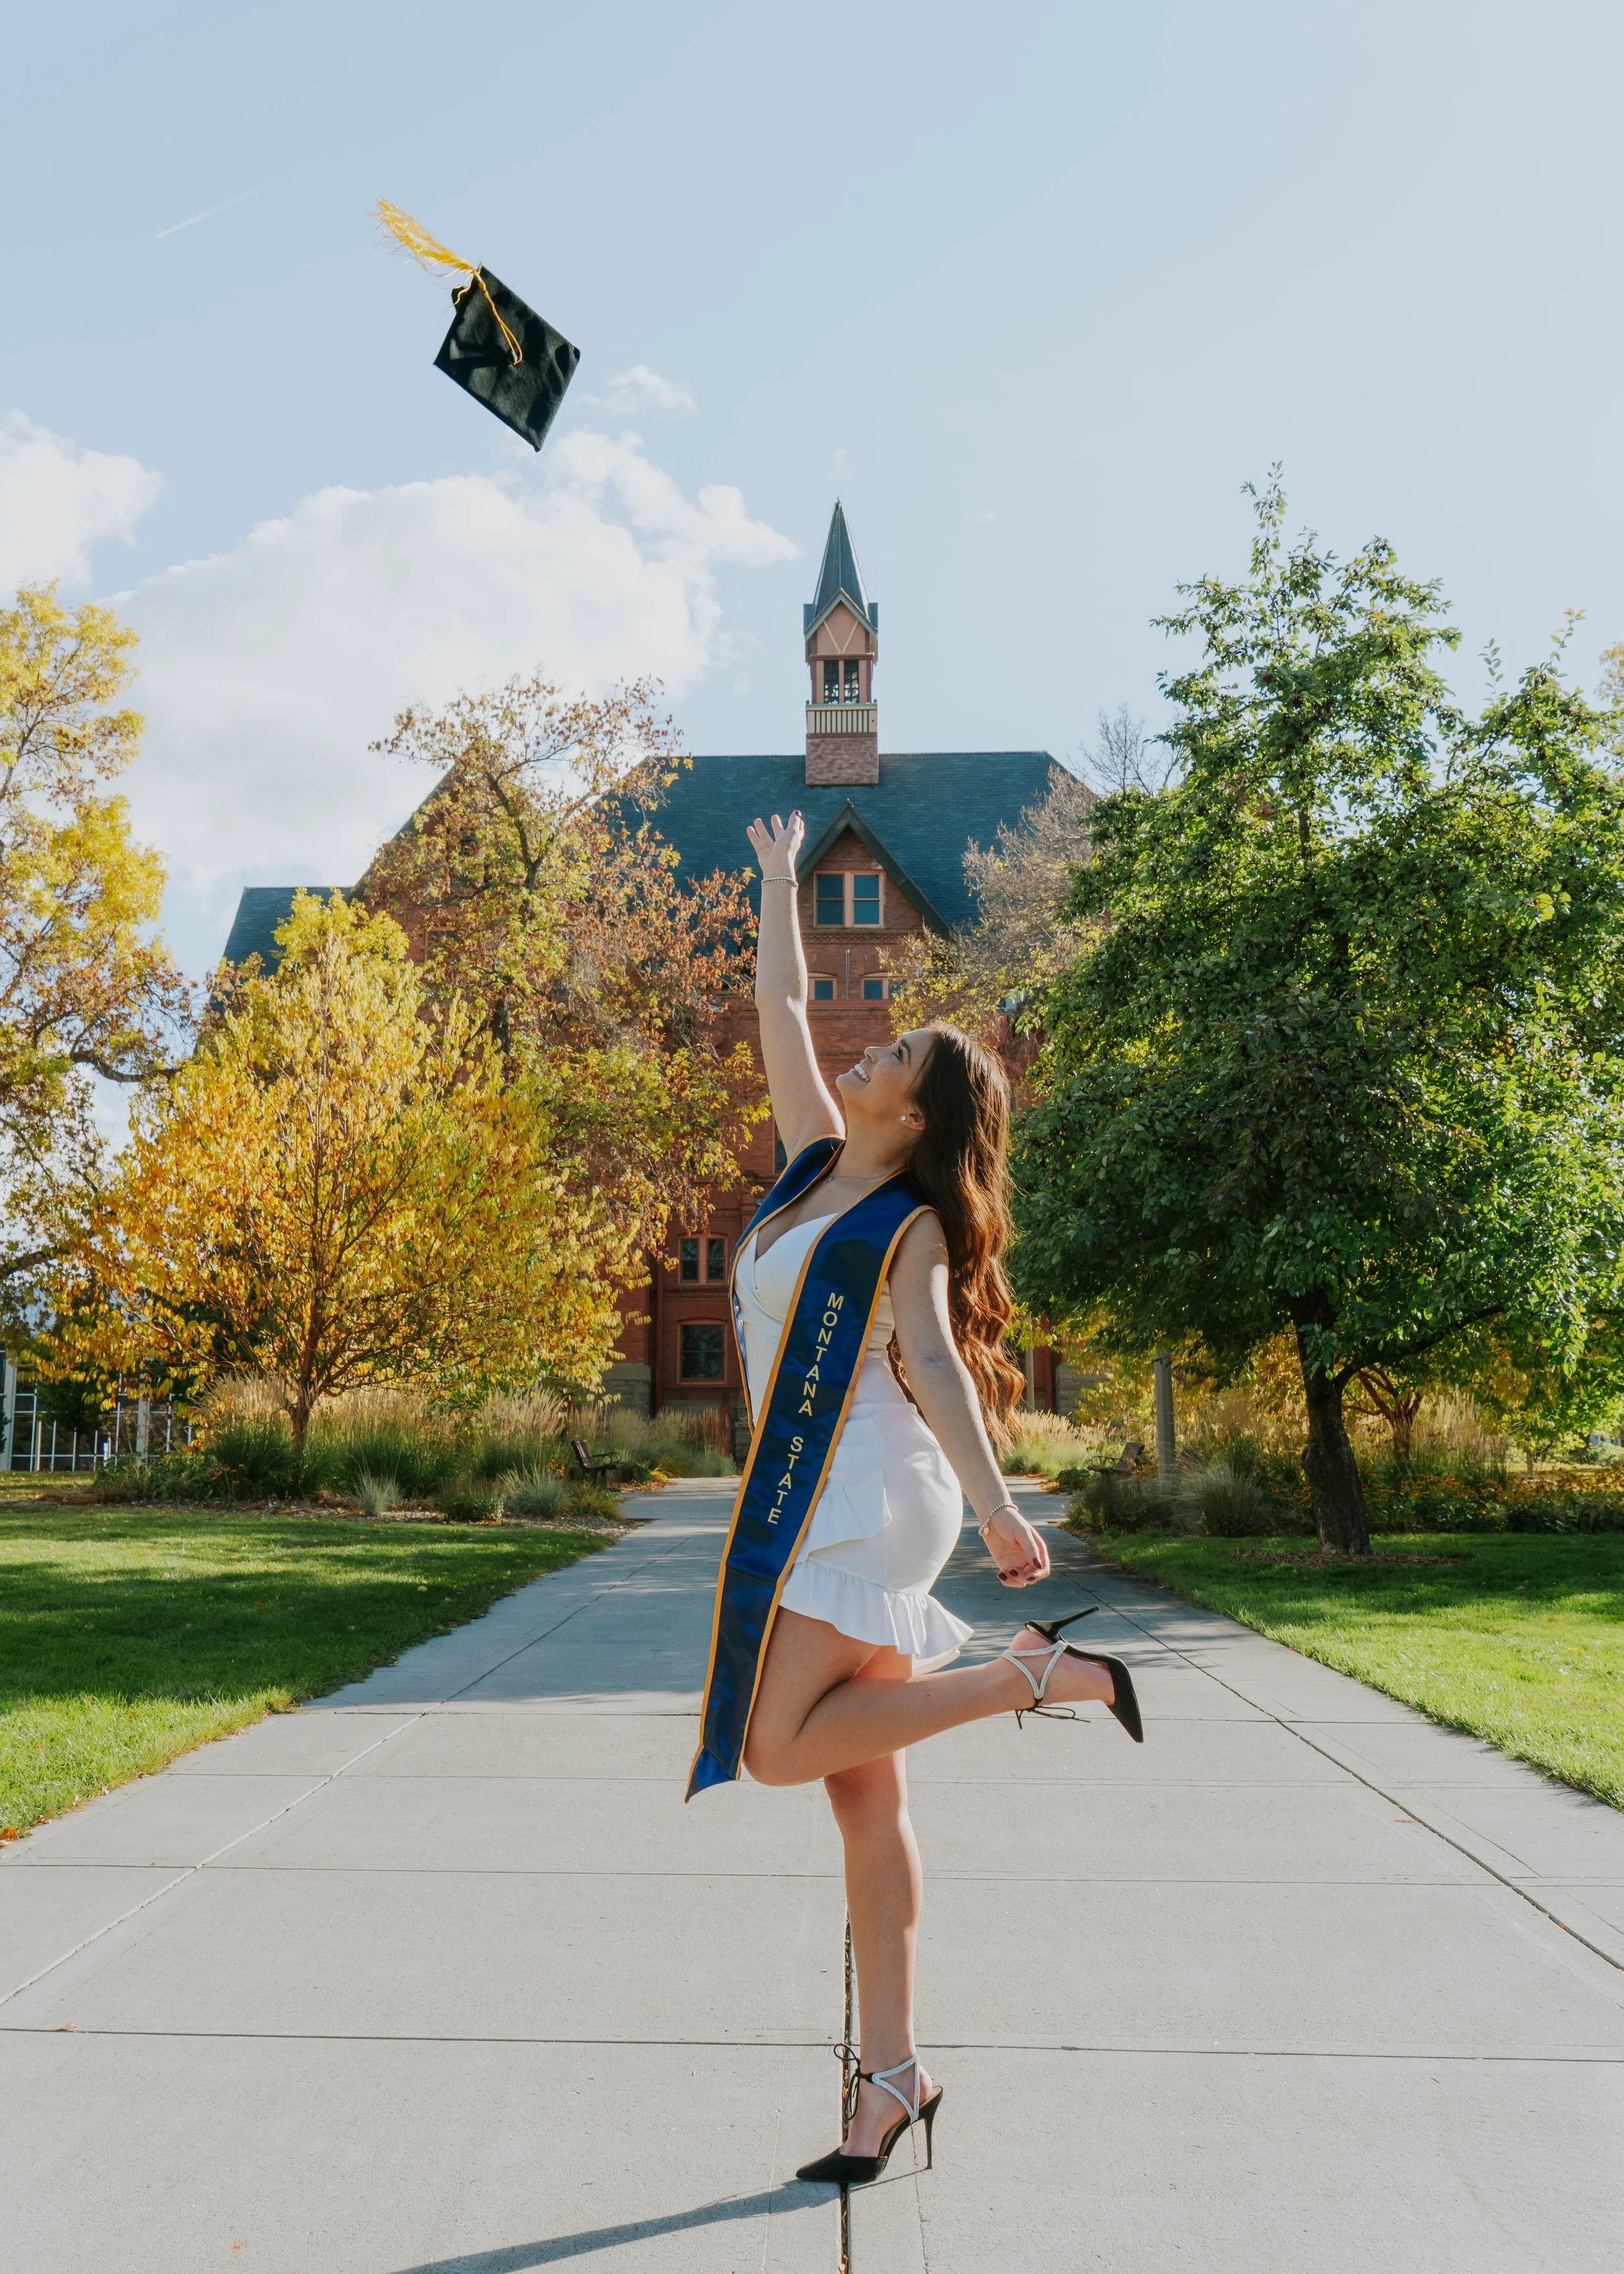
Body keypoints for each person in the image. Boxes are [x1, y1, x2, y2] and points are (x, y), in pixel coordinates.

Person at [717, 811, 1142, 2189]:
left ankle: (1034, 1676)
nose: (866, 1045)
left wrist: (1005, 1509)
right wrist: (779, 883)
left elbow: (948, 1381)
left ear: (914, 1113)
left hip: (866, 1496)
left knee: (777, 1749)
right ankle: (892, 2078)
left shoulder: (894, 1223)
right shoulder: (804, 1168)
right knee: (859, 1797)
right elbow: (780, 999)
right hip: (831, 1490)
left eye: (891, 1054)